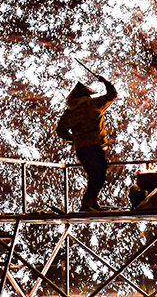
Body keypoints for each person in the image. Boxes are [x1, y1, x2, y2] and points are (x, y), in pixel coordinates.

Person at [56, 75, 118, 212]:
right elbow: (112, 95)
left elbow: (61, 131)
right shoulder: (94, 105)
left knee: (94, 175)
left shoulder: (70, 113)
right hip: (94, 145)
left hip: (81, 148)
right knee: (99, 174)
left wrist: (74, 139)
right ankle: (87, 204)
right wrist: (105, 82)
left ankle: (91, 203)